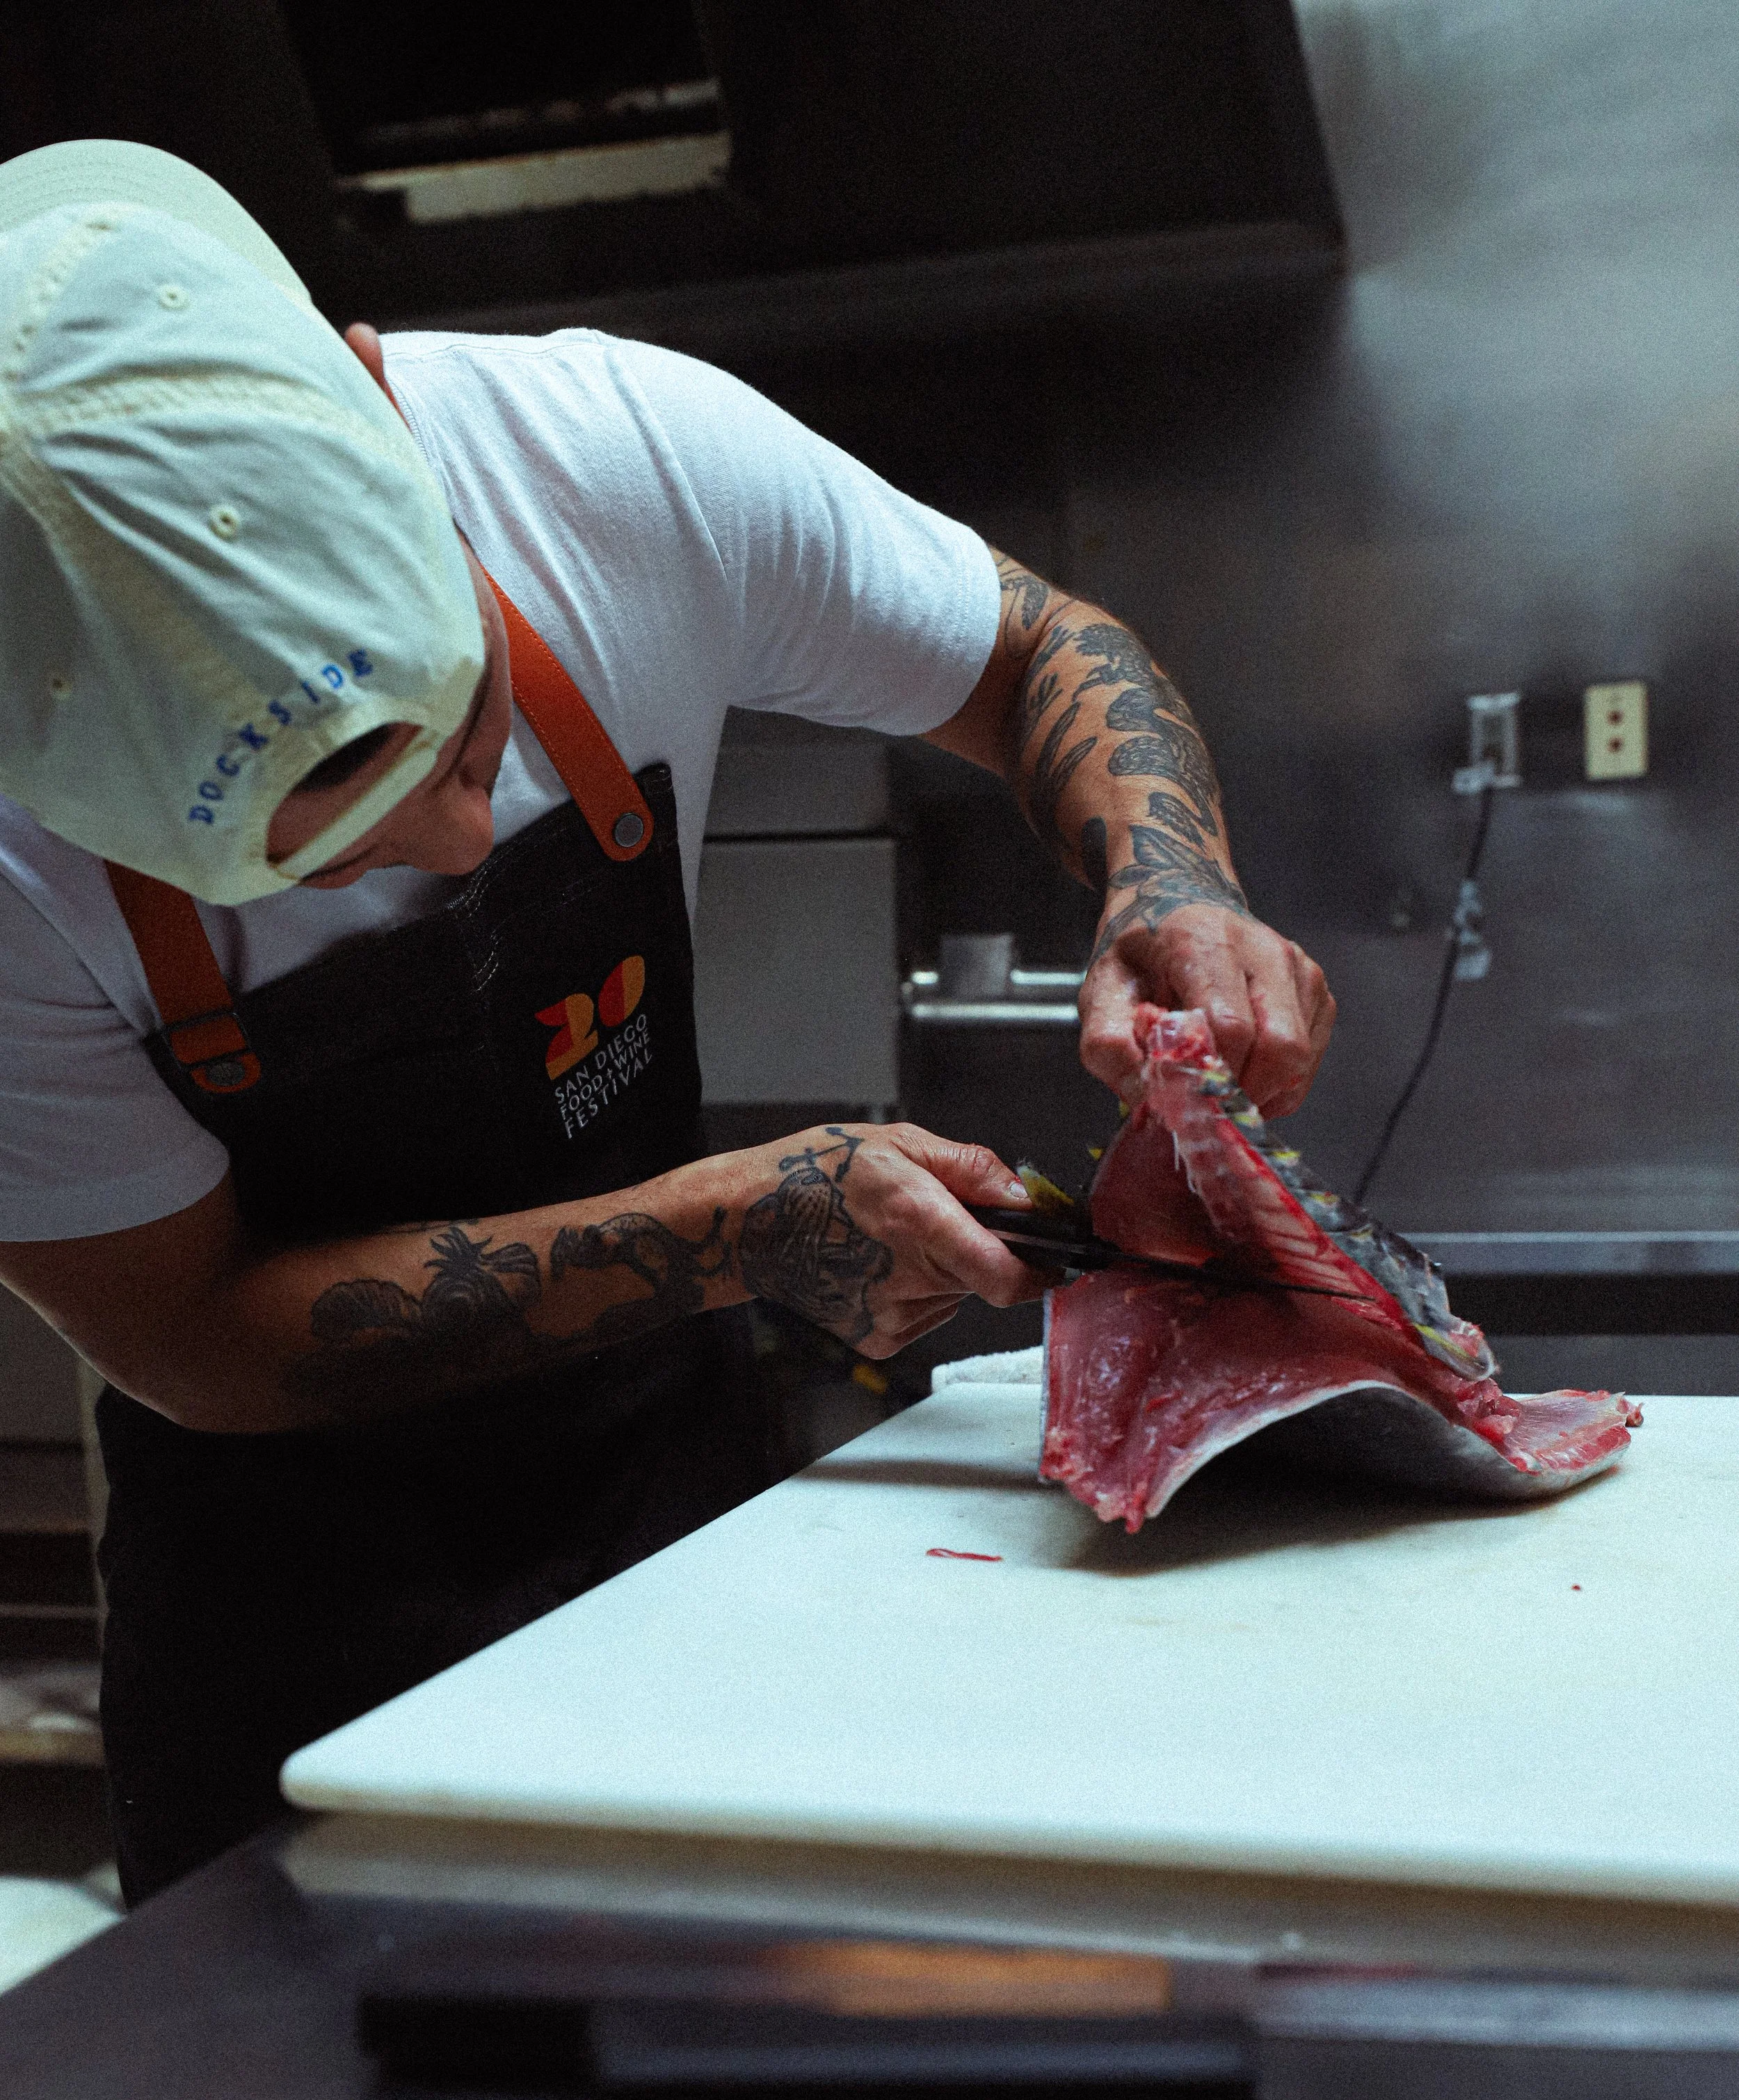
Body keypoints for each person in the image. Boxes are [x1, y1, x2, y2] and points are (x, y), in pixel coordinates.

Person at [0, 142, 1336, 1902]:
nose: (462, 845)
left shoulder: (605, 458)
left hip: (675, 1496)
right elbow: (193, 1334)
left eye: (464, 737)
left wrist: (1169, 878)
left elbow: (1031, 651)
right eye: (313, 853)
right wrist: (730, 1227)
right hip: (280, 1609)